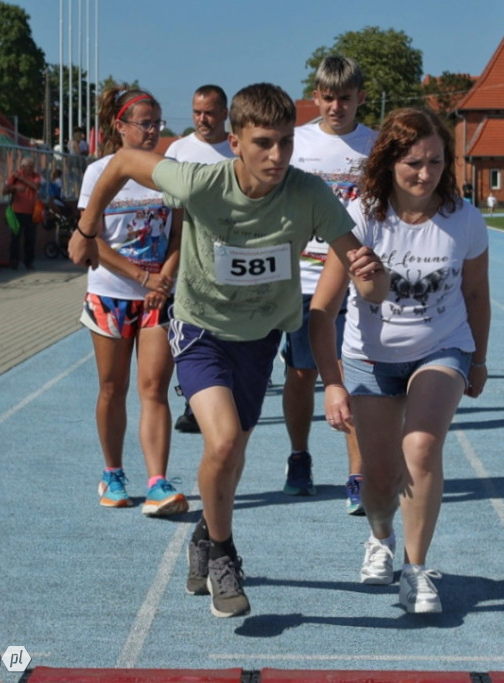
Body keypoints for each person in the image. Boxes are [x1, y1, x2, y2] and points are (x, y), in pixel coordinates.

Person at [69, 83, 389, 618]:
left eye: (285, 142)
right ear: (235, 141)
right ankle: (223, 554)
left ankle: (204, 535)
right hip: (200, 331)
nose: (277, 156)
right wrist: (85, 227)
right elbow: (123, 160)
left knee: (231, 456)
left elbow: (360, 265)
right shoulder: (200, 181)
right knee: (219, 443)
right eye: (263, 143)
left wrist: (370, 275)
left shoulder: (309, 194)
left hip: (260, 340)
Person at [309, 107, 490, 614]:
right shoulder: (363, 218)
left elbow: (477, 294)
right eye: (413, 162)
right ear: (389, 162)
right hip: (369, 358)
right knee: (381, 480)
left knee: (422, 446)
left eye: (435, 162)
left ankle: (416, 569)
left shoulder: (465, 221)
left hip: (442, 346)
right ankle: (380, 537)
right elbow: (322, 310)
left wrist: (478, 359)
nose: (424, 173)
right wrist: (334, 384)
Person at [77, 88, 187, 518]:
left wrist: (166, 276)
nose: (153, 131)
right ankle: (112, 472)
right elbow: (91, 241)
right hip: (111, 294)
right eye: (145, 123)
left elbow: (180, 233)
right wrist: (142, 277)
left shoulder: (172, 171)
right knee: (112, 387)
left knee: (155, 388)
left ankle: (157, 482)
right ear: (120, 127)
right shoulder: (98, 172)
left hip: (160, 297)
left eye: (157, 122)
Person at [282, 55, 376, 513]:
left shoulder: (376, 147)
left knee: (354, 375)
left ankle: (357, 474)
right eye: (328, 97)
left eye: (345, 98)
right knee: (301, 374)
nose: (336, 106)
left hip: (356, 281)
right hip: (304, 278)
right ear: (315, 96)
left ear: (360, 96)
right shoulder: (296, 143)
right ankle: (299, 457)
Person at [164, 84, 234, 435]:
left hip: (232, 256)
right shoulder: (178, 150)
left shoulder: (237, 150)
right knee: (192, 331)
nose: (202, 119)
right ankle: (194, 401)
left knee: (229, 333)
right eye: (196, 112)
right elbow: (173, 212)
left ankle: (229, 393)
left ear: (224, 113)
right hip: (191, 260)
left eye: (209, 112)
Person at [3, 156, 40, 269]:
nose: (32, 169)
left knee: (30, 239)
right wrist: (15, 187)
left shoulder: (35, 176)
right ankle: (14, 261)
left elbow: (36, 186)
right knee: (15, 238)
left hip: (31, 212)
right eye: (30, 166)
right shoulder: (15, 177)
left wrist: (22, 179)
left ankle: (29, 262)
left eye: (33, 166)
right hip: (17, 211)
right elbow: (4, 190)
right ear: (23, 167)